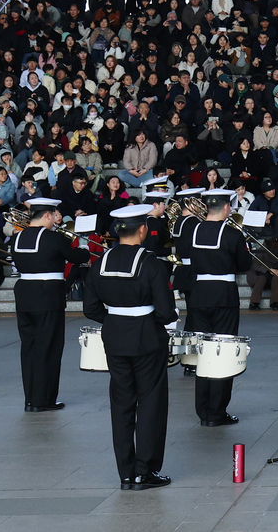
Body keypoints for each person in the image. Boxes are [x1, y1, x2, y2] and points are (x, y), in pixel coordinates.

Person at [81, 204, 177, 490]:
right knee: (150, 404)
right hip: (147, 338)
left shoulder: (101, 261)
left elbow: (90, 307)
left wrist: (115, 320)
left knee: (122, 405)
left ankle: (125, 473)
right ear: (143, 230)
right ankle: (144, 471)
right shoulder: (151, 263)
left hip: (115, 337)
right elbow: (166, 312)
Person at [10, 197, 92, 412]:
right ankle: (43, 399)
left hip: (25, 295)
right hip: (48, 296)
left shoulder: (16, 238)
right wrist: (83, 245)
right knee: (49, 348)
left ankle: (30, 398)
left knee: (29, 348)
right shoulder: (53, 238)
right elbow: (76, 256)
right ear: (47, 215)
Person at [180, 189, 252, 425]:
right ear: (225, 207)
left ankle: (203, 410)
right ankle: (217, 411)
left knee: (204, 352)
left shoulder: (192, 230)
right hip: (224, 295)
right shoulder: (232, 234)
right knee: (223, 351)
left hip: (199, 294)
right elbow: (243, 265)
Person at [169, 188, 204, 337]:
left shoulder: (178, 221)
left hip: (185, 270)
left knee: (192, 310)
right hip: (195, 270)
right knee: (198, 312)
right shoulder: (194, 222)